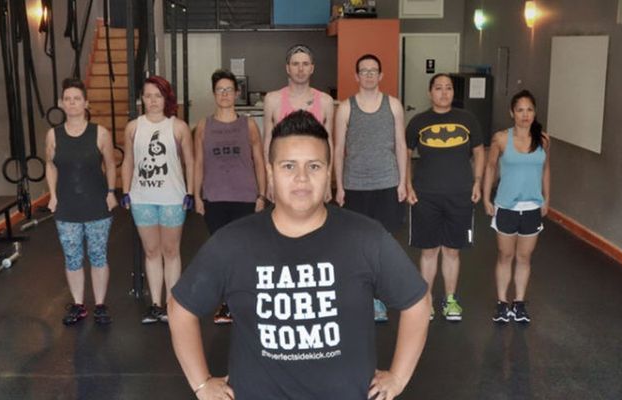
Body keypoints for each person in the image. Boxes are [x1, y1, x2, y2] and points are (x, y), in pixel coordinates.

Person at [168, 110, 430, 400]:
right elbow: (181, 309)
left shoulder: (366, 237)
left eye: (314, 166)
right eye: (289, 166)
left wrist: (398, 378)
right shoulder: (233, 242)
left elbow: (416, 302)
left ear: (329, 172)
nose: (302, 178)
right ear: (270, 172)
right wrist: (202, 384)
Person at [333, 54, 408, 322]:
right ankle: (359, 295)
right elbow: (338, 149)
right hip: (355, 185)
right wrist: (339, 186)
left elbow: (401, 146)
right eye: (363, 71)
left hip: (387, 183)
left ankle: (378, 299)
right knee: (356, 243)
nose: (368, 75)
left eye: (373, 71)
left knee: (383, 243)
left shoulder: (394, 106)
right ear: (356, 76)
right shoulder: (345, 108)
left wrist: (403, 182)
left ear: (381, 75)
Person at [404, 73, 485, 322]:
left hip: (459, 194)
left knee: (451, 251)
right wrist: (408, 185)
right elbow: (405, 156)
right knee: (429, 251)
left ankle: (450, 299)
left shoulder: (467, 119)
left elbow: (480, 153)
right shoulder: (418, 122)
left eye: (448, 88)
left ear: (453, 92)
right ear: (430, 93)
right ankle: (426, 299)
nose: (443, 92)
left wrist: (478, 182)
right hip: (425, 195)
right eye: (438, 88)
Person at [193, 69, 267, 324]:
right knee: (222, 253)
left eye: (228, 90)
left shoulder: (248, 125)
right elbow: (198, 163)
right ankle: (227, 304)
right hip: (215, 197)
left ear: (236, 93)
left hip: (244, 197)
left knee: (245, 252)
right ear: (214, 94)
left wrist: (261, 194)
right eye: (219, 90)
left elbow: (259, 160)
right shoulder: (204, 125)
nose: (224, 94)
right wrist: (197, 196)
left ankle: (245, 301)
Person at [45, 78, 120, 325]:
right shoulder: (53, 135)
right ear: (61, 103)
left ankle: (100, 305)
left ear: (86, 103)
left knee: (98, 255)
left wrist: (110, 192)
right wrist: (53, 196)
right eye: (67, 99)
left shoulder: (100, 133)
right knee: (73, 258)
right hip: (67, 205)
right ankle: (79, 305)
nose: (72, 103)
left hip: (96, 203)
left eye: (77, 99)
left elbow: (110, 164)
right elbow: (50, 165)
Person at [121, 75, 196, 324]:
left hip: (172, 198)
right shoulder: (133, 127)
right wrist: (125, 191)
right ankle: (155, 304)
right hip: (142, 197)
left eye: (158, 95)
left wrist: (191, 192)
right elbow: (128, 161)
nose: (153, 100)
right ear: (142, 98)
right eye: (148, 95)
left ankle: (171, 304)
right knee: (151, 251)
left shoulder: (178, 127)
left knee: (171, 251)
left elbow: (190, 162)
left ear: (166, 98)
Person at [482, 90, 551, 324]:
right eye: (520, 110)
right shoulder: (501, 138)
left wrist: (546, 199)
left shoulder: (542, 139)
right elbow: (490, 168)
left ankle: (519, 303)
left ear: (535, 112)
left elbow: (546, 170)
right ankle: (502, 303)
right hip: (507, 206)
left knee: (524, 257)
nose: (525, 114)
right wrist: (486, 198)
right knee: (505, 255)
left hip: (532, 206)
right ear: (512, 112)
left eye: (529, 109)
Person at [262, 44, 336, 202]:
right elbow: (268, 142)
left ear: (312, 68)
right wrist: (270, 180)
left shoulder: (325, 101)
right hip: (285, 174)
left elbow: (329, 143)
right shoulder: (272, 100)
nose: (300, 69)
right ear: (287, 68)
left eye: (305, 64)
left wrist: (328, 181)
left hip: (314, 174)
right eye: (295, 64)